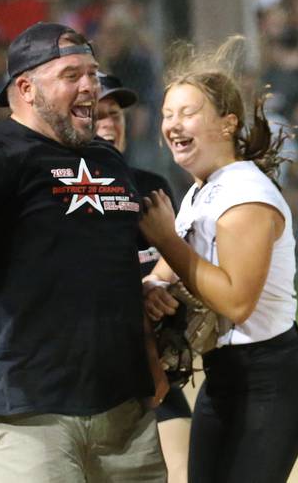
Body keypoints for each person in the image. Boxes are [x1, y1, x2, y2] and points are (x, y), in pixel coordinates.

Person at [0, 22, 167, 482]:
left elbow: (118, 273)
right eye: (72, 75)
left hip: (122, 406)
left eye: (93, 74)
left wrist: (149, 360)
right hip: (29, 408)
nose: (89, 87)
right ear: (26, 87)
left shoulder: (108, 161)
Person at [137, 36, 298, 483]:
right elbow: (167, 275)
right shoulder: (203, 192)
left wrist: (166, 240)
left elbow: (237, 301)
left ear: (226, 124)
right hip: (226, 377)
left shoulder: (244, 195)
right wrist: (150, 291)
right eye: (167, 114)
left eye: (187, 112)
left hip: (272, 379)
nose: (172, 123)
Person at [96, 71, 191, 483]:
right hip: (91, 374)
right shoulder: (64, 194)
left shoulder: (150, 187)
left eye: (115, 113)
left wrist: (155, 284)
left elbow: (173, 258)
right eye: (96, 114)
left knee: (181, 472)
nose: (108, 123)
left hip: (152, 365)